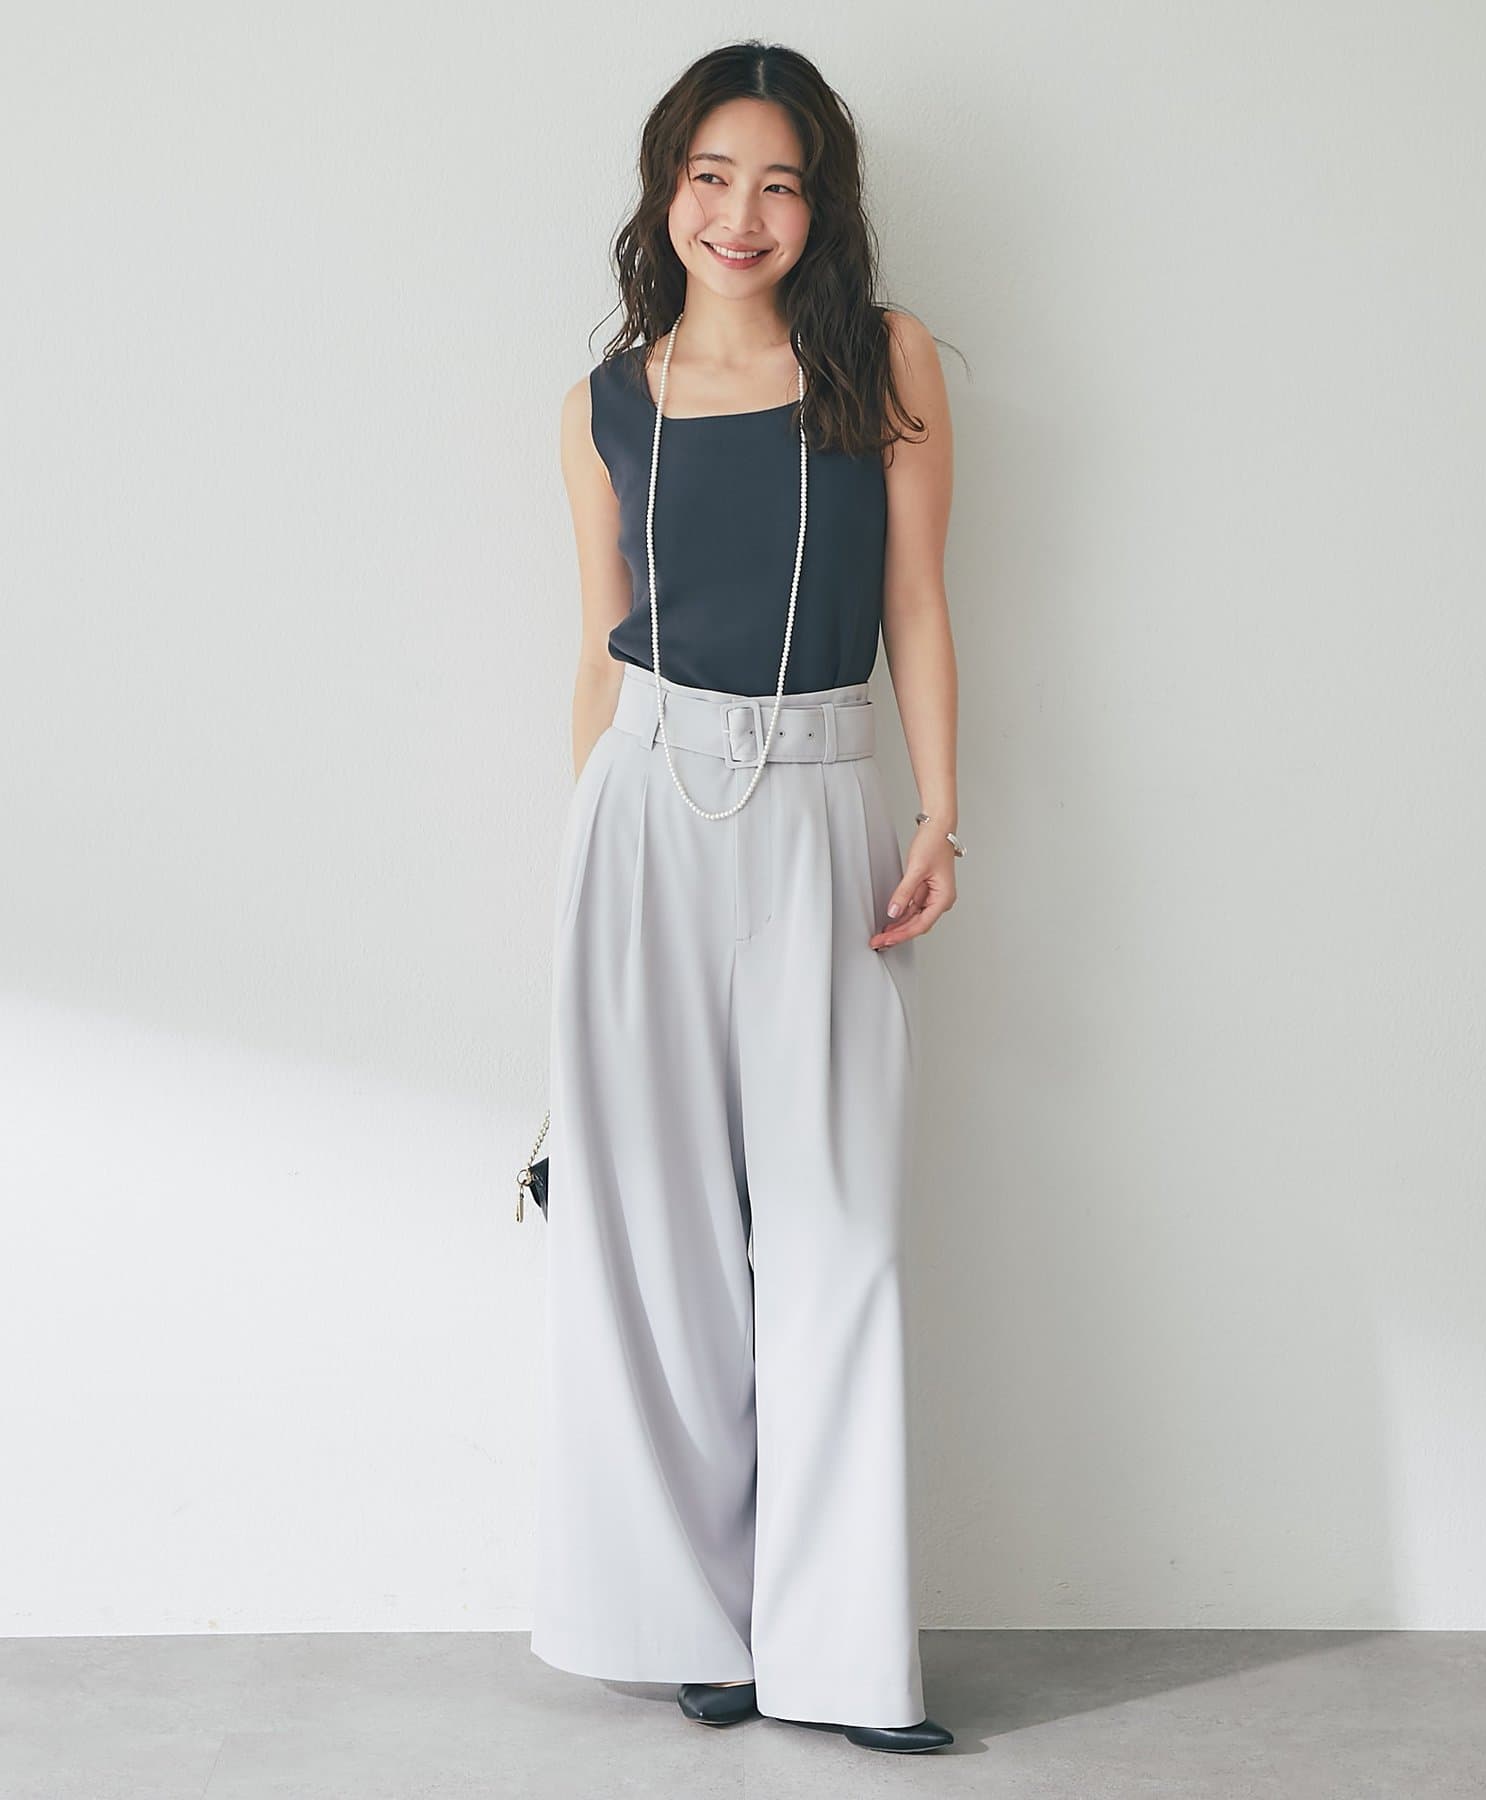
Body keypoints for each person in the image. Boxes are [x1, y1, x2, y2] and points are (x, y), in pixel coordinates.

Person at [529, 40, 962, 1756]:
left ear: (820, 205)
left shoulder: (885, 362)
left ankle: (844, 1658)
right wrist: (582, 860)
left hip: (822, 802)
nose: (741, 213)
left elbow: (916, 603)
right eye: (711, 177)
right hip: (642, 807)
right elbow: (597, 646)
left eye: (779, 182)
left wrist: (943, 813)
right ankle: (696, 1629)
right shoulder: (602, 405)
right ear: (667, 191)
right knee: (658, 1239)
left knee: (838, 1229)